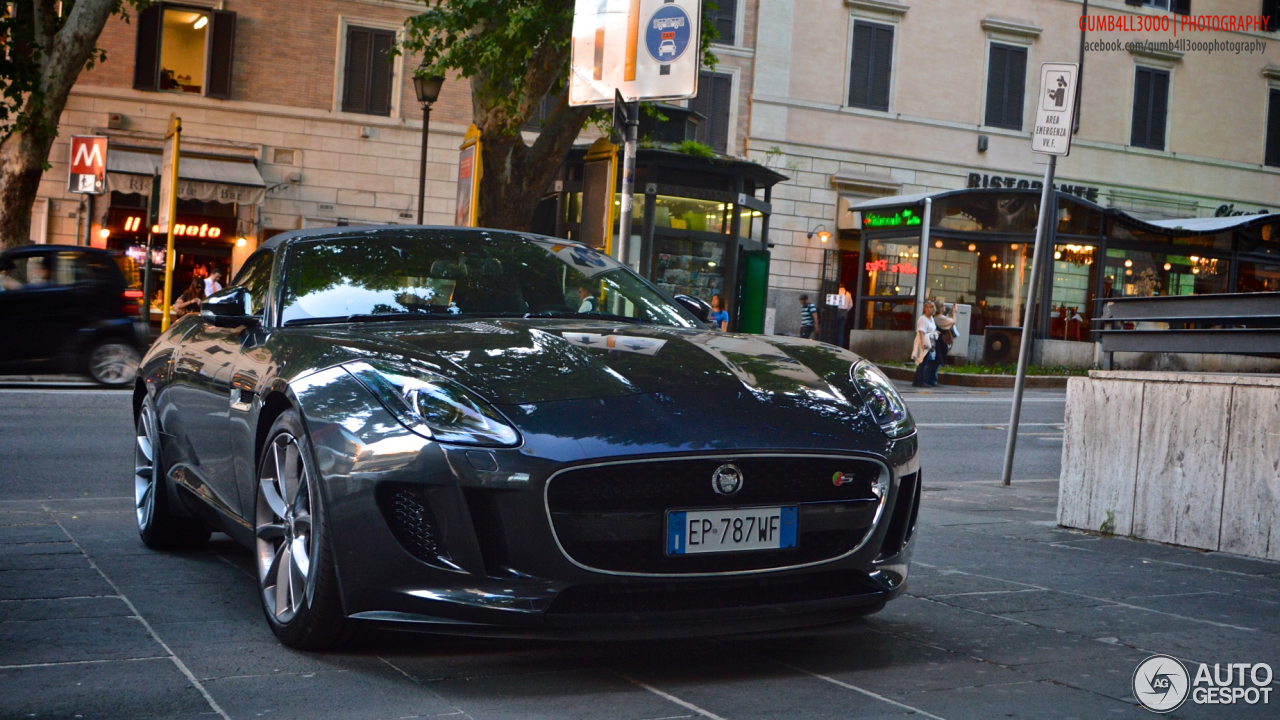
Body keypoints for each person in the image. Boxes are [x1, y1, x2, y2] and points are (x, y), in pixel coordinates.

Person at [912, 301, 938, 387]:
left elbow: (931, 329)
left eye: (930, 307)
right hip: (923, 341)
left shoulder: (931, 318)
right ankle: (920, 381)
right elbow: (921, 331)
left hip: (929, 341)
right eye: (927, 307)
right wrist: (922, 343)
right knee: (922, 361)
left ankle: (916, 381)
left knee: (923, 361)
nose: (928, 309)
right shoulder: (923, 319)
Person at [932, 301, 957, 372]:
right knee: (936, 363)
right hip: (939, 343)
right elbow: (952, 322)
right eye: (944, 305)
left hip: (938, 342)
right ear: (940, 308)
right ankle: (931, 380)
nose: (945, 307)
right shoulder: (939, 318)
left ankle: (931, 380)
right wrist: (955, 313)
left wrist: (952, 311)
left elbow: (947, 319)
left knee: (935, 362)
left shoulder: (937, 317)